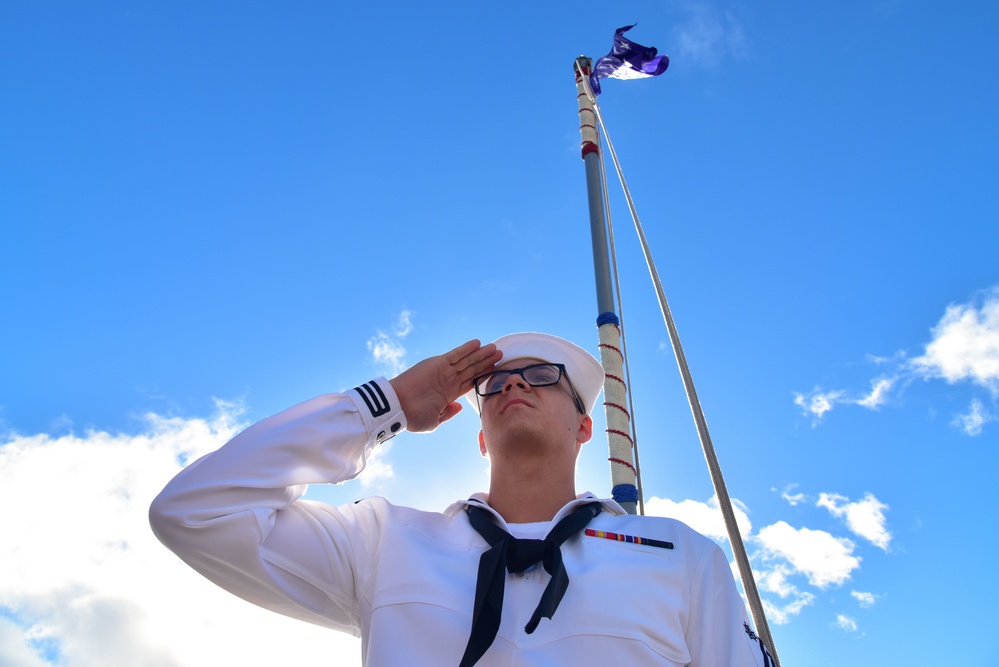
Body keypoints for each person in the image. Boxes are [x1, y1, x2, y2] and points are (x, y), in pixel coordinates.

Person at [150, 332, 772, 666]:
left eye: (541, 377)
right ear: (480, 435)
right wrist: (384, 404)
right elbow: (195, 509)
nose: (515, 384)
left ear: (584, 427)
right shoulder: (385, 544)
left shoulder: (679, 557)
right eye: (496, 382)